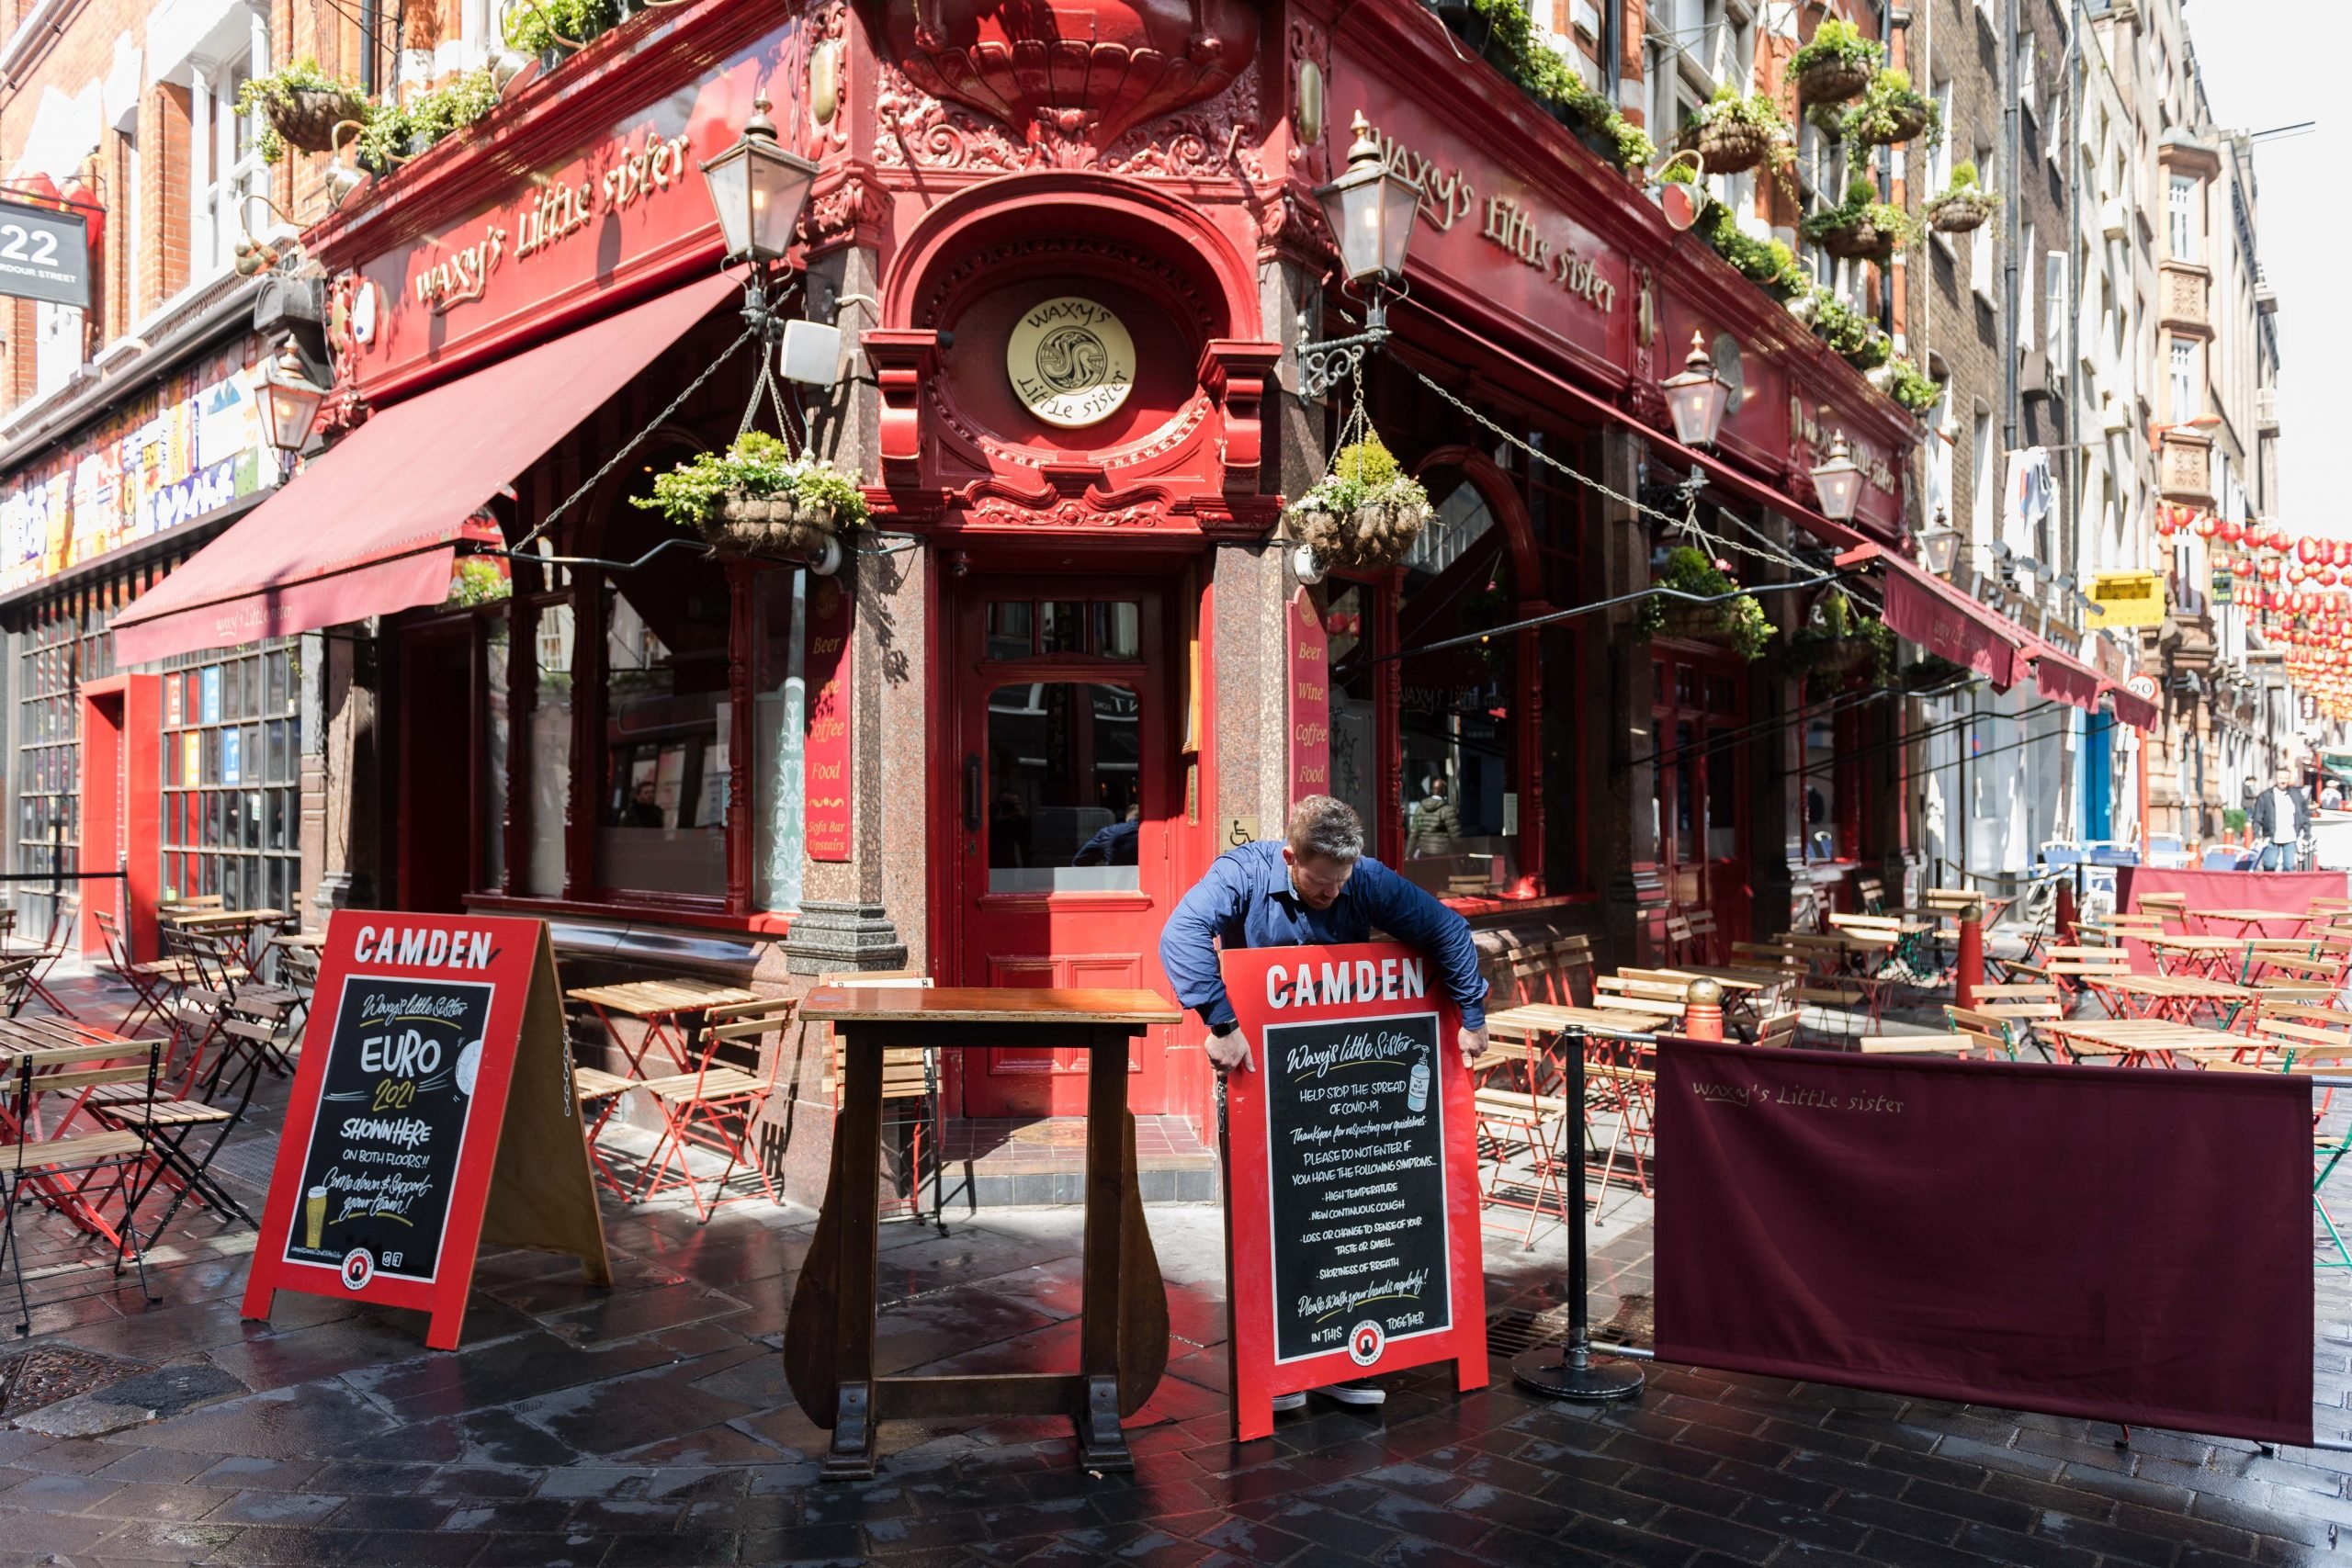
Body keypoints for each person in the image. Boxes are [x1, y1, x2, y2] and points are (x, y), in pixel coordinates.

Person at [1159, 794, 1487, 1415]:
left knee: (1343, 1218)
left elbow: (1445, 928)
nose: (1334, 895)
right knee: (1267, 1218)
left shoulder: (1361, 878)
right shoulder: (1245, 872)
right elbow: (1179, 934)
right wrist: (1221, 1022)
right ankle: (1275, 1369)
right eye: (1319, 882)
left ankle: (1337, 1359)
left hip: (1342, 1080)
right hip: (1262, 1078)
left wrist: (1472, 1012)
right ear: (1290, 856)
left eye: (1341, 883)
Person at [2248, 772, 2311, 871]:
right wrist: (2257, 835)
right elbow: (2257, 817)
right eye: (2280, 777)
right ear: (2276, 778)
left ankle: (2287, 886)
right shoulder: (2266, 796)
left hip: (2291, 836)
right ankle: (2269, 886)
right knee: (2269, 865)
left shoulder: (2296, 795)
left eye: (2285, 778)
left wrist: (2307, 833)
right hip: (2271, 836)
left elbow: (2304, 814)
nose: (2283, 780)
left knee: (2289, 866)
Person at [1405, 774, 1462, 857]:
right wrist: (1460, 853)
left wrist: (1408, 854)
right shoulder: (1448, 810)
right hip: (1442, 853)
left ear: (1433, 790)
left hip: (1424, 851)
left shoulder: (1421, 808)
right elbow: (1456, 836)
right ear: (1444, 791)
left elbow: (1414, 833)